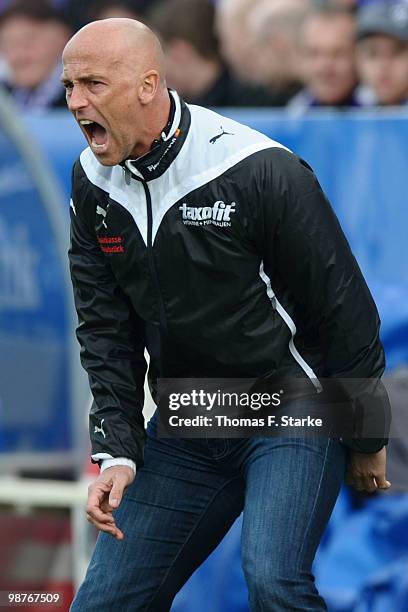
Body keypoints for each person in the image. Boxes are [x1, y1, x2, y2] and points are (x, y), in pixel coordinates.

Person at [63, 18, 391, 611]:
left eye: (92, 83)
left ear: (147, 85)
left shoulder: (260, 168)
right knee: (102, 602)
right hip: (189, 418)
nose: (76, 102)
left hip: (293, 408)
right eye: (68, 88)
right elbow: (105, 328)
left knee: (272, 580)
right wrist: (117, 451)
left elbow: (343, 309)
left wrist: (367, 435)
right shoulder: (91, 180)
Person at [148, 0, 281, 107]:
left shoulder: (258, 101)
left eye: (158, 54)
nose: (154, 66)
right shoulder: (174, 108)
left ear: (180, 52)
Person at [288, 6, 365, 111]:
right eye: (314, 54)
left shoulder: (379, 112)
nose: (324, 66)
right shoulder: (294, 113)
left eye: (337, 54)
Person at [0, 0, 72, 110]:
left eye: (28, 41)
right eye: (8, 44)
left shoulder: (86, 98)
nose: (19, 56)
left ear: (63, 37)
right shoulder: (5, 99)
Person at [356, 0, 408, 106]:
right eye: (373, 53)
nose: (383, 65)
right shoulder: (352, 112)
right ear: (358, 59)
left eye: (396, 52)